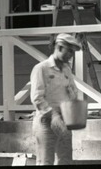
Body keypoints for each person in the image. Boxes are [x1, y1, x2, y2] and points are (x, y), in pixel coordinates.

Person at [28, 33, 85, 165]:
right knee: (45, 161)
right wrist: (53, 116)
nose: (71, 55)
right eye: (69, 51)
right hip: (46, 121)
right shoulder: (41, 68)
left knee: (65, 160)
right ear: (59, 47)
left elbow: (73, 91)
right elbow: (37, 98)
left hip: (64, 119)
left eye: (73, 52)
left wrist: (73, 111)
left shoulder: (66, 69)